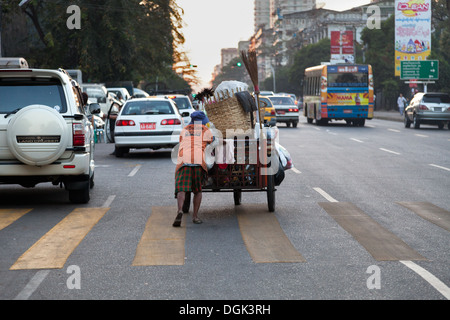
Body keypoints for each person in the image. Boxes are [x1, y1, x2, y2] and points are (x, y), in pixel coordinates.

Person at [173, 111, 214, 227]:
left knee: (181, 189)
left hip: (183, 162)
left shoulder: (184, 130)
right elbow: (213, 141)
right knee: (197, 191)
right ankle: (195, 217)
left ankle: (180, 210)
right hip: (198, 162)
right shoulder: (205, 130)